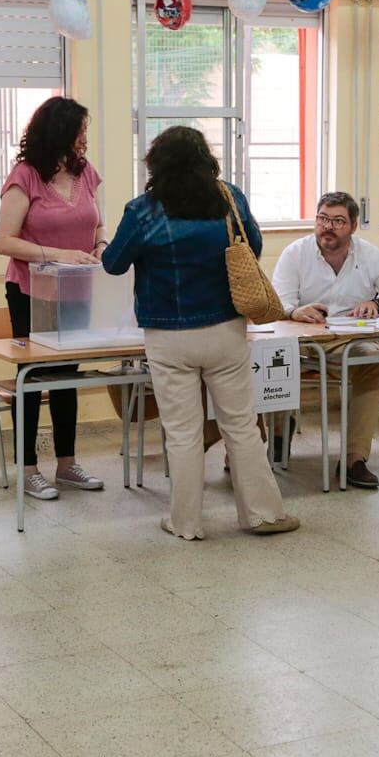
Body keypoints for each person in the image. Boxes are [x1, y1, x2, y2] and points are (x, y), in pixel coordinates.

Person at [101, 126, 299, 541]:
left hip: (168, 334)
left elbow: (114, 264)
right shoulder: (228, 198)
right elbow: (254, 245)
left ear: (155, 164)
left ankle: (186, 522)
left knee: (183, 432)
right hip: (226, 328)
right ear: (206, 159)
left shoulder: (142, 210)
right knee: (241, 426)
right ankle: (263, 514)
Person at [0, 96, 106, 501]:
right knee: (35, 377)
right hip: (30, 290)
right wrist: (58, 255)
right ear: (60, 133)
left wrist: (102, 246)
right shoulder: (25, 176)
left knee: (66, 377)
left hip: (76, 286)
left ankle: (66, 464)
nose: (84, 140)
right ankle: (28, 469)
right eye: (80, 132)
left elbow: (98, 224)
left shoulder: (86, 173)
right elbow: (4, 241)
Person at [271, 190, 379, 489]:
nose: (328, 226)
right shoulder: (295, 253)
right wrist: (296, 311)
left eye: (338, 221)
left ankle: (354, 458)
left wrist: (378, 305)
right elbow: (276, 302)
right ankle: (277, 435)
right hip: (302, 342)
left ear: (353, 226)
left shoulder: (369, 254)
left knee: (372, 362)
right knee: (274, 360)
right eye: (322, 218)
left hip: (350, 339)